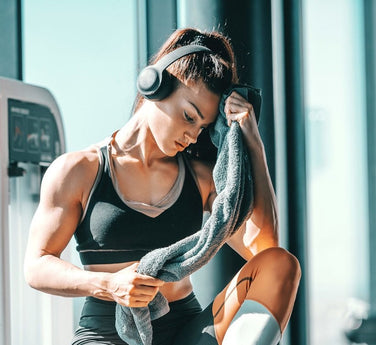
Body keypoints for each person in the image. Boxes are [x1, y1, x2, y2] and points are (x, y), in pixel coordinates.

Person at [24, 27, 301, 345]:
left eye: (204, 126)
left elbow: (264, 249)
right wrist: (110, 284)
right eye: (188, 116)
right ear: (155, 86)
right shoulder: (78, 170)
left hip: (188, 329)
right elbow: (37, 265)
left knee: (282, 265)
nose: (194, 135)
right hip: (106, 333)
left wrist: (253, 142)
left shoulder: (200, 177)